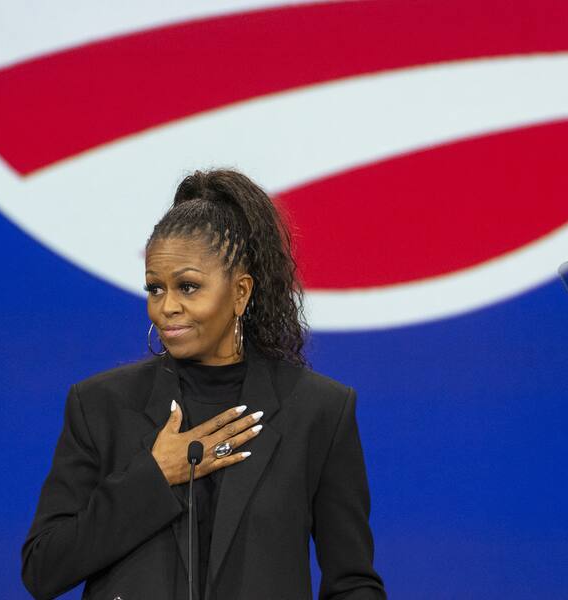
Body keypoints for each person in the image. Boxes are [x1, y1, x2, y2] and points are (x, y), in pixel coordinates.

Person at [21, 169, 386, 599]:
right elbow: (43, 567)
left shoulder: (318, 410)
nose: (166, 307)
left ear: (240, 292)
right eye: (155, 289)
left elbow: (352, 582)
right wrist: (154, 476)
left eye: (188, 287)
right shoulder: (101, 405)